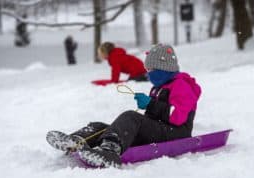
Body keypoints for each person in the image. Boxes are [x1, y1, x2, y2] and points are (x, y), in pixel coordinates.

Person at [68, 44, 202, 168]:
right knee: (112, 128)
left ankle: (109, 151)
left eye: (151, 69)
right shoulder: (158, 87)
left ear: (164, 67)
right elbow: (152, 118)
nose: (148, 73)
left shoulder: (181, 85)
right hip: (162, 130)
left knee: (130, 117)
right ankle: (79, 140)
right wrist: (149, 107)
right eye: (147, 69)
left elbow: (177, 116)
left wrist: (150, 104)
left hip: (176, 133)